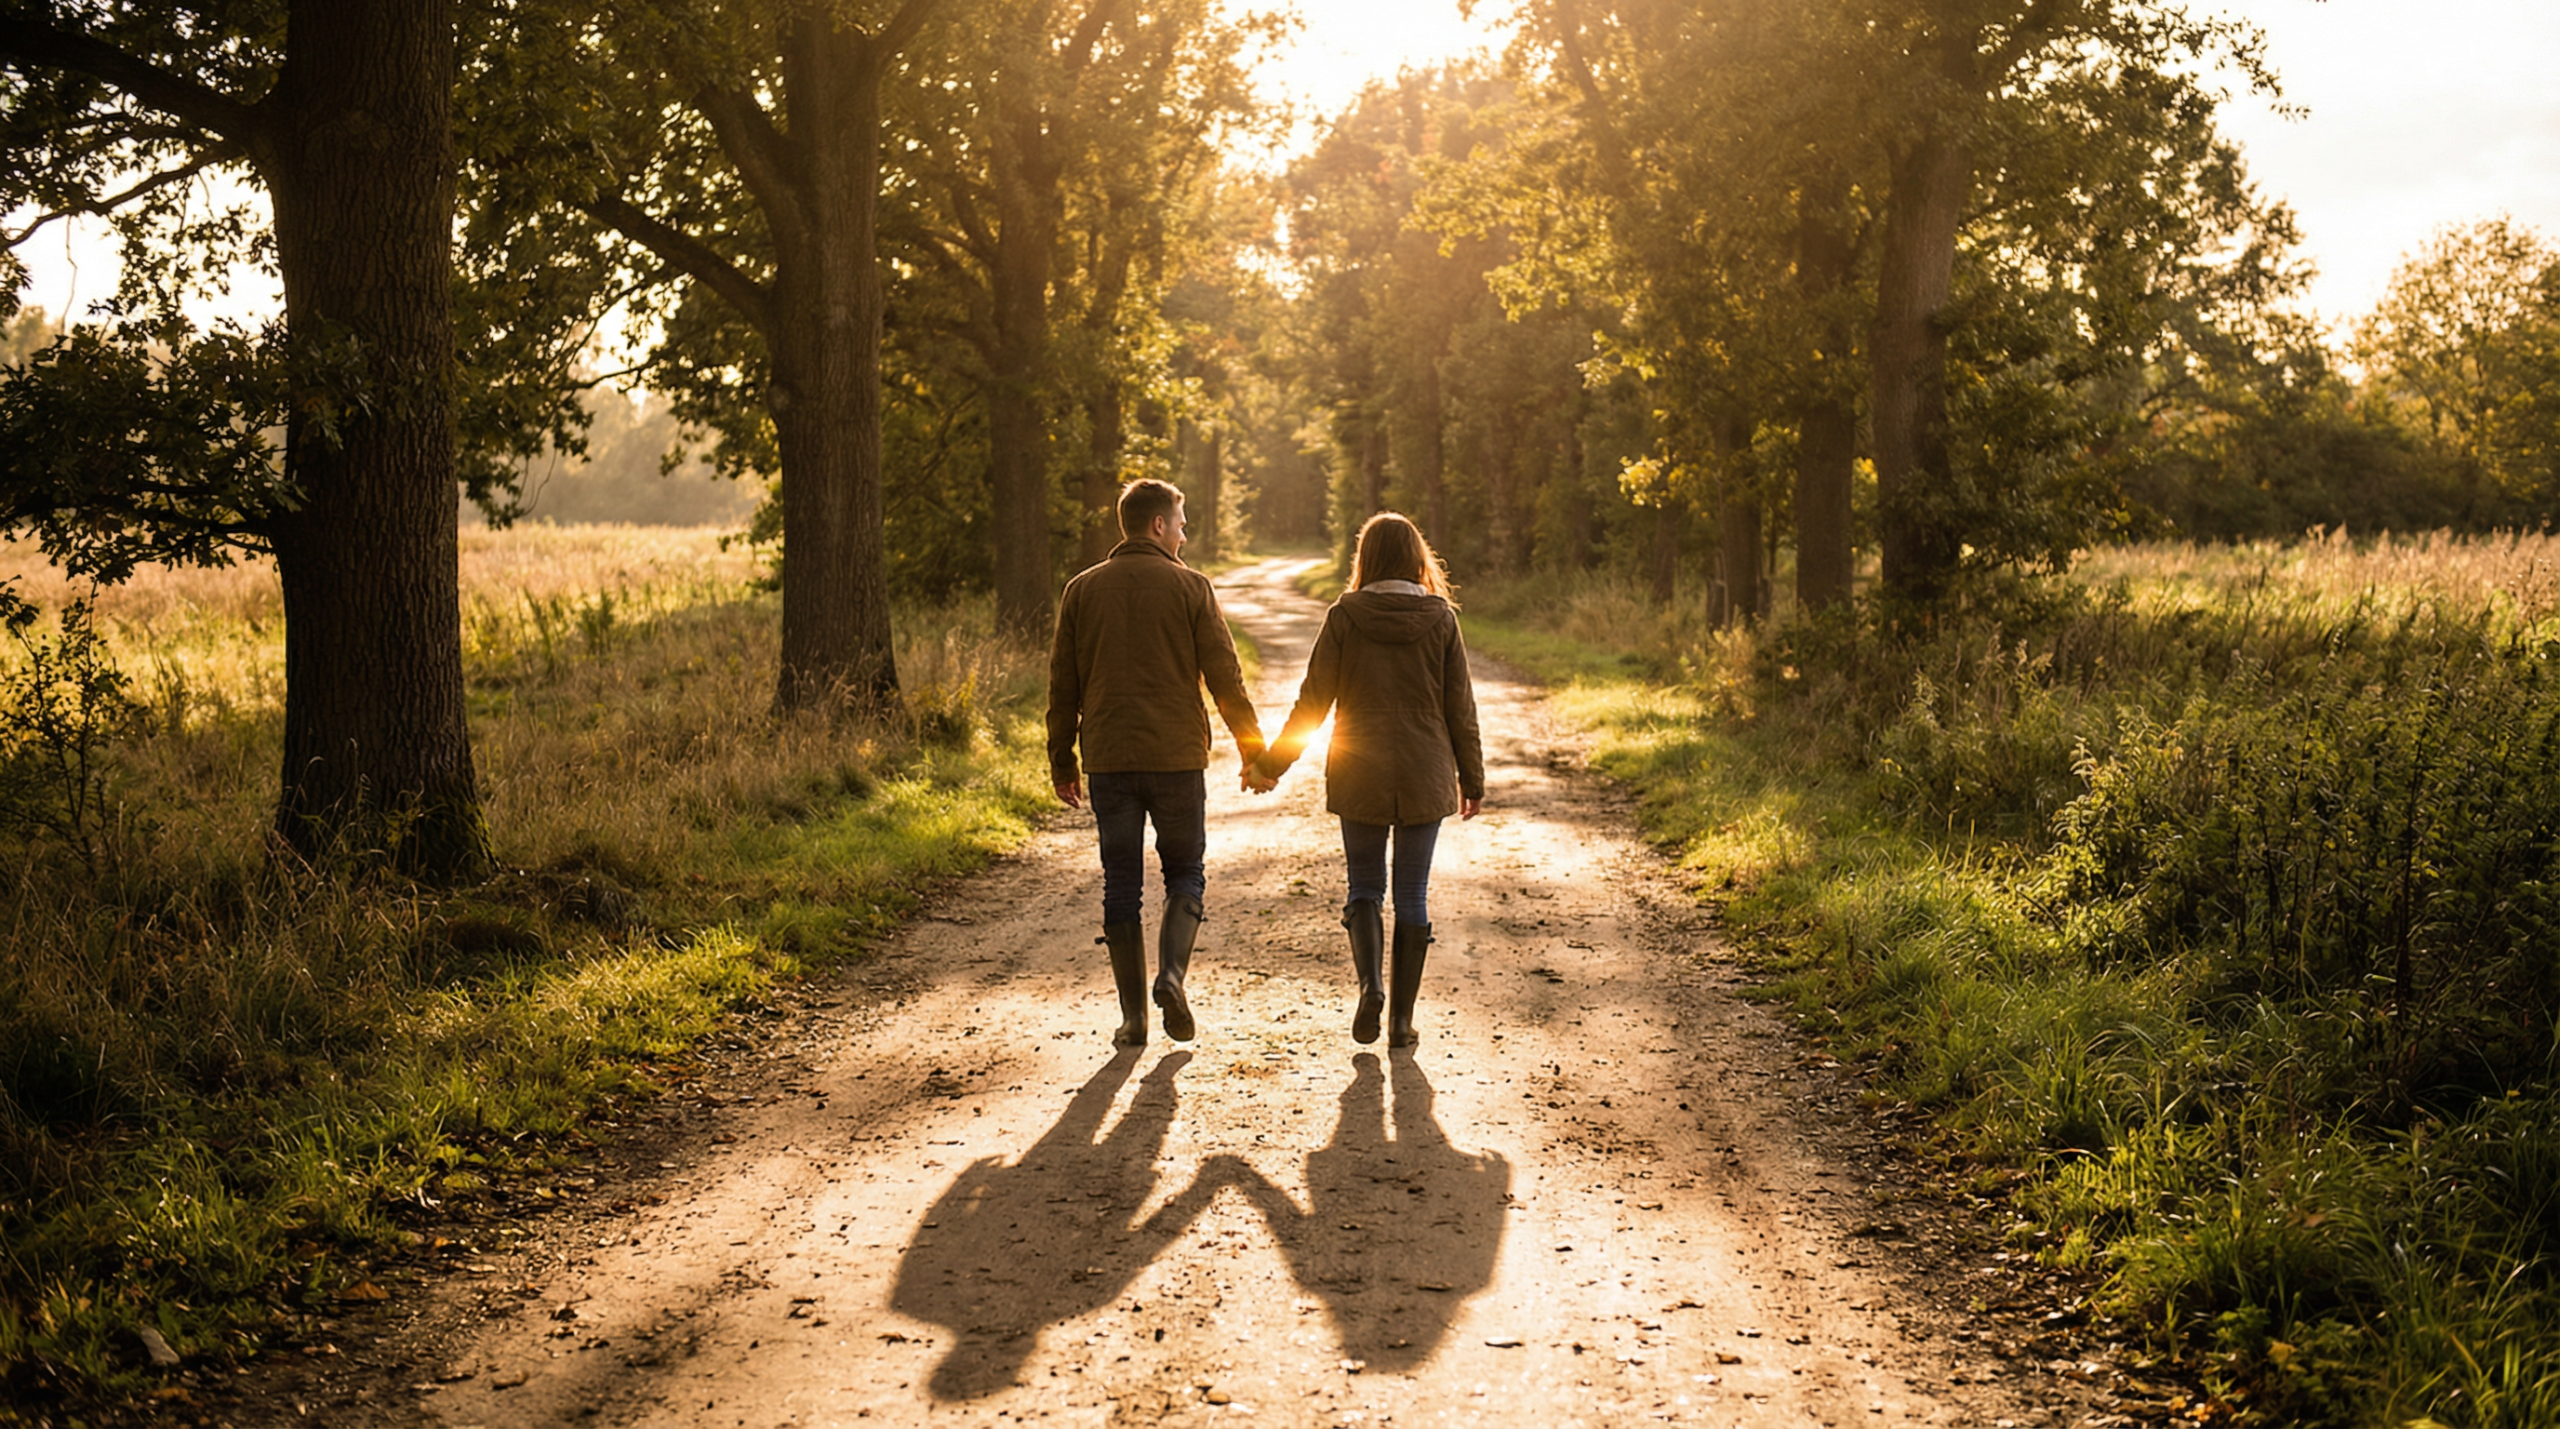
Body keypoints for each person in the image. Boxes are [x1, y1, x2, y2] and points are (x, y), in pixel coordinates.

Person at [1250, 512, 1483, 1048]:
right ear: (1416, 557)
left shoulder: (1345, 616)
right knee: (1412, 894)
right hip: (1426, 771)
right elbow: (1460, 709)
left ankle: (1371, 986)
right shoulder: (1442, 619)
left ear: (1367, 559)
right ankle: (1401, 1022)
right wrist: (1472, 778)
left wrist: (1270, 765)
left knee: (1364, 888)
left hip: (1359, 768)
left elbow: (1312, 702)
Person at [1048, 478, 1265, 1048]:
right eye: (1182, 523)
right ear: (1158, 525)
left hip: (1109, 758)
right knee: (1184, 871)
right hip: (1175, 760)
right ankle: (1171, 976)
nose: (1186, 534)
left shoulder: (1081, 590)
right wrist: (1252, 751)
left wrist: (1061, 761)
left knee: (1120, 883)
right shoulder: (1191, 587)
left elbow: (1062, 686)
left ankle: (1133, 1021)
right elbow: (1226, 678)